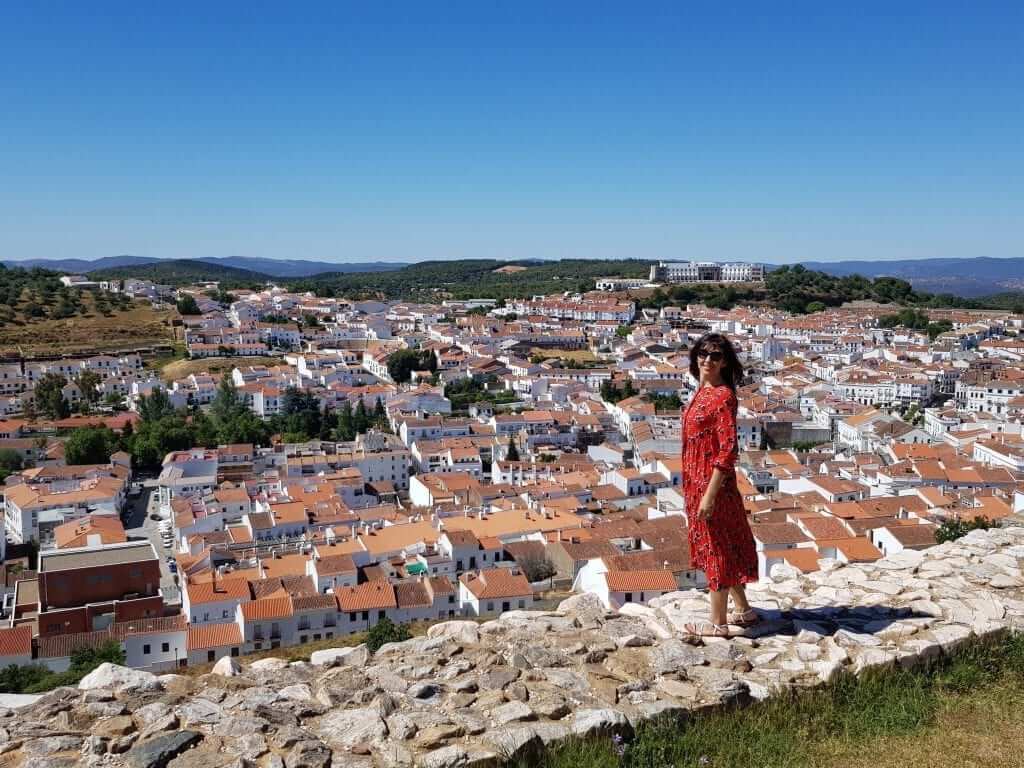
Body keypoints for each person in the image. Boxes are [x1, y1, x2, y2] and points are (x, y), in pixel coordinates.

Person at [681, 332, 758, 638]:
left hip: (712, 487)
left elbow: (728, 451)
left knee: (716, 549)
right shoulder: (701, 391)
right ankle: (744, 611)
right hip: (695, 483)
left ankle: (718, 624)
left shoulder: (723, 397)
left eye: (715, 356)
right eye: (703, 353)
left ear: (725, 362)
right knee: (723, 545)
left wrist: (709, 496)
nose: (707, 360)